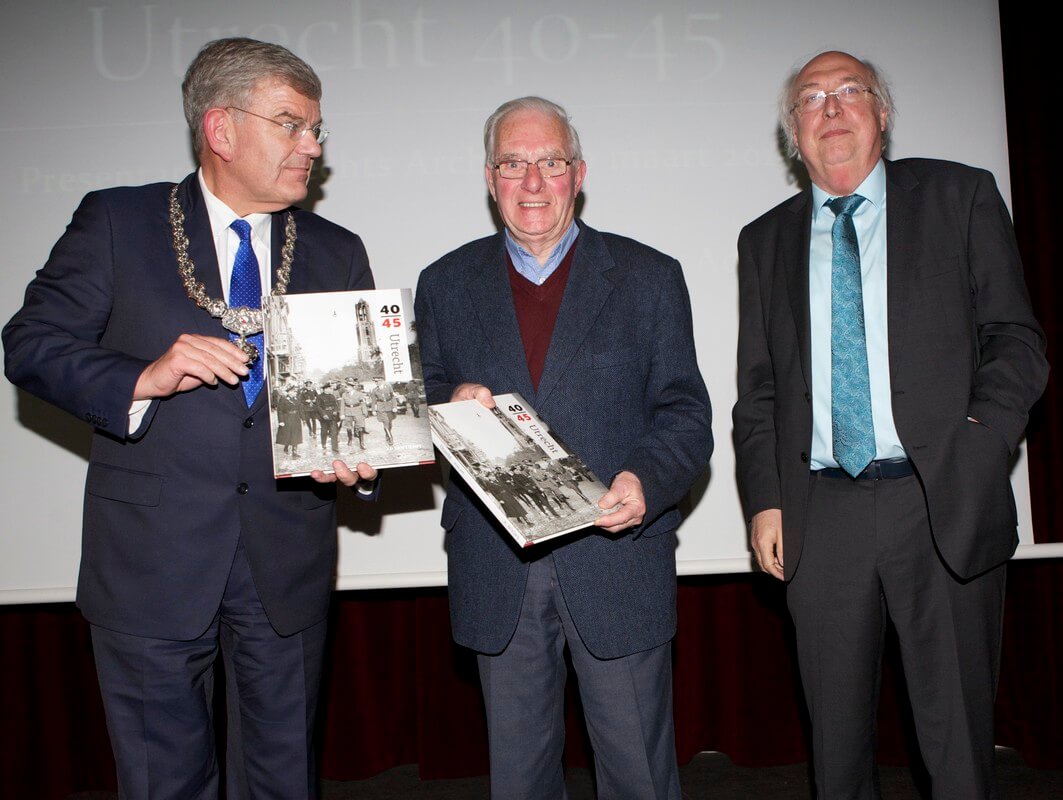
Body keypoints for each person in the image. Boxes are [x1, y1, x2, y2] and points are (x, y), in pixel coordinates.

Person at [3, 37, 378, 800]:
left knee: (282, 780)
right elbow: (29, 343)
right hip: (151, 560)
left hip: (287, 561)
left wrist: (359, 460)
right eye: (291, 125)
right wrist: (141, 376)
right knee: (162, 780)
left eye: (316, 130)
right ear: (221, 129)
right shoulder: (117, 221)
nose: (312, 147)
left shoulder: (336, 251)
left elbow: (354, 409)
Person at [732, 51, 1048, 798]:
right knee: (836, 758)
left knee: (957, 751)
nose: (830, 109)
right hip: (820, 514)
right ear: (792, 133)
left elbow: (1015, 341)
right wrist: (764, 498)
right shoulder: (764, 240)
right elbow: (760, 389)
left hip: (938, 501)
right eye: (810, 99)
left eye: (849, 93)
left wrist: (976, 445)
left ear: (881, 114)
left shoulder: (958, 196)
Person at [416, 96, 712, 799]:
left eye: (549, 162)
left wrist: (644, 479)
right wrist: (445, 407)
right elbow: (415, 400)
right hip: (497, 570)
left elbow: (685, 411)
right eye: (513, 164)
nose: (532, 182)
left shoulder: (648, 276)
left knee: (639, 776)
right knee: (518, 782)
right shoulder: (444, 283)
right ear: (489, 179)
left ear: (578, 173)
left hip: (618, 564)